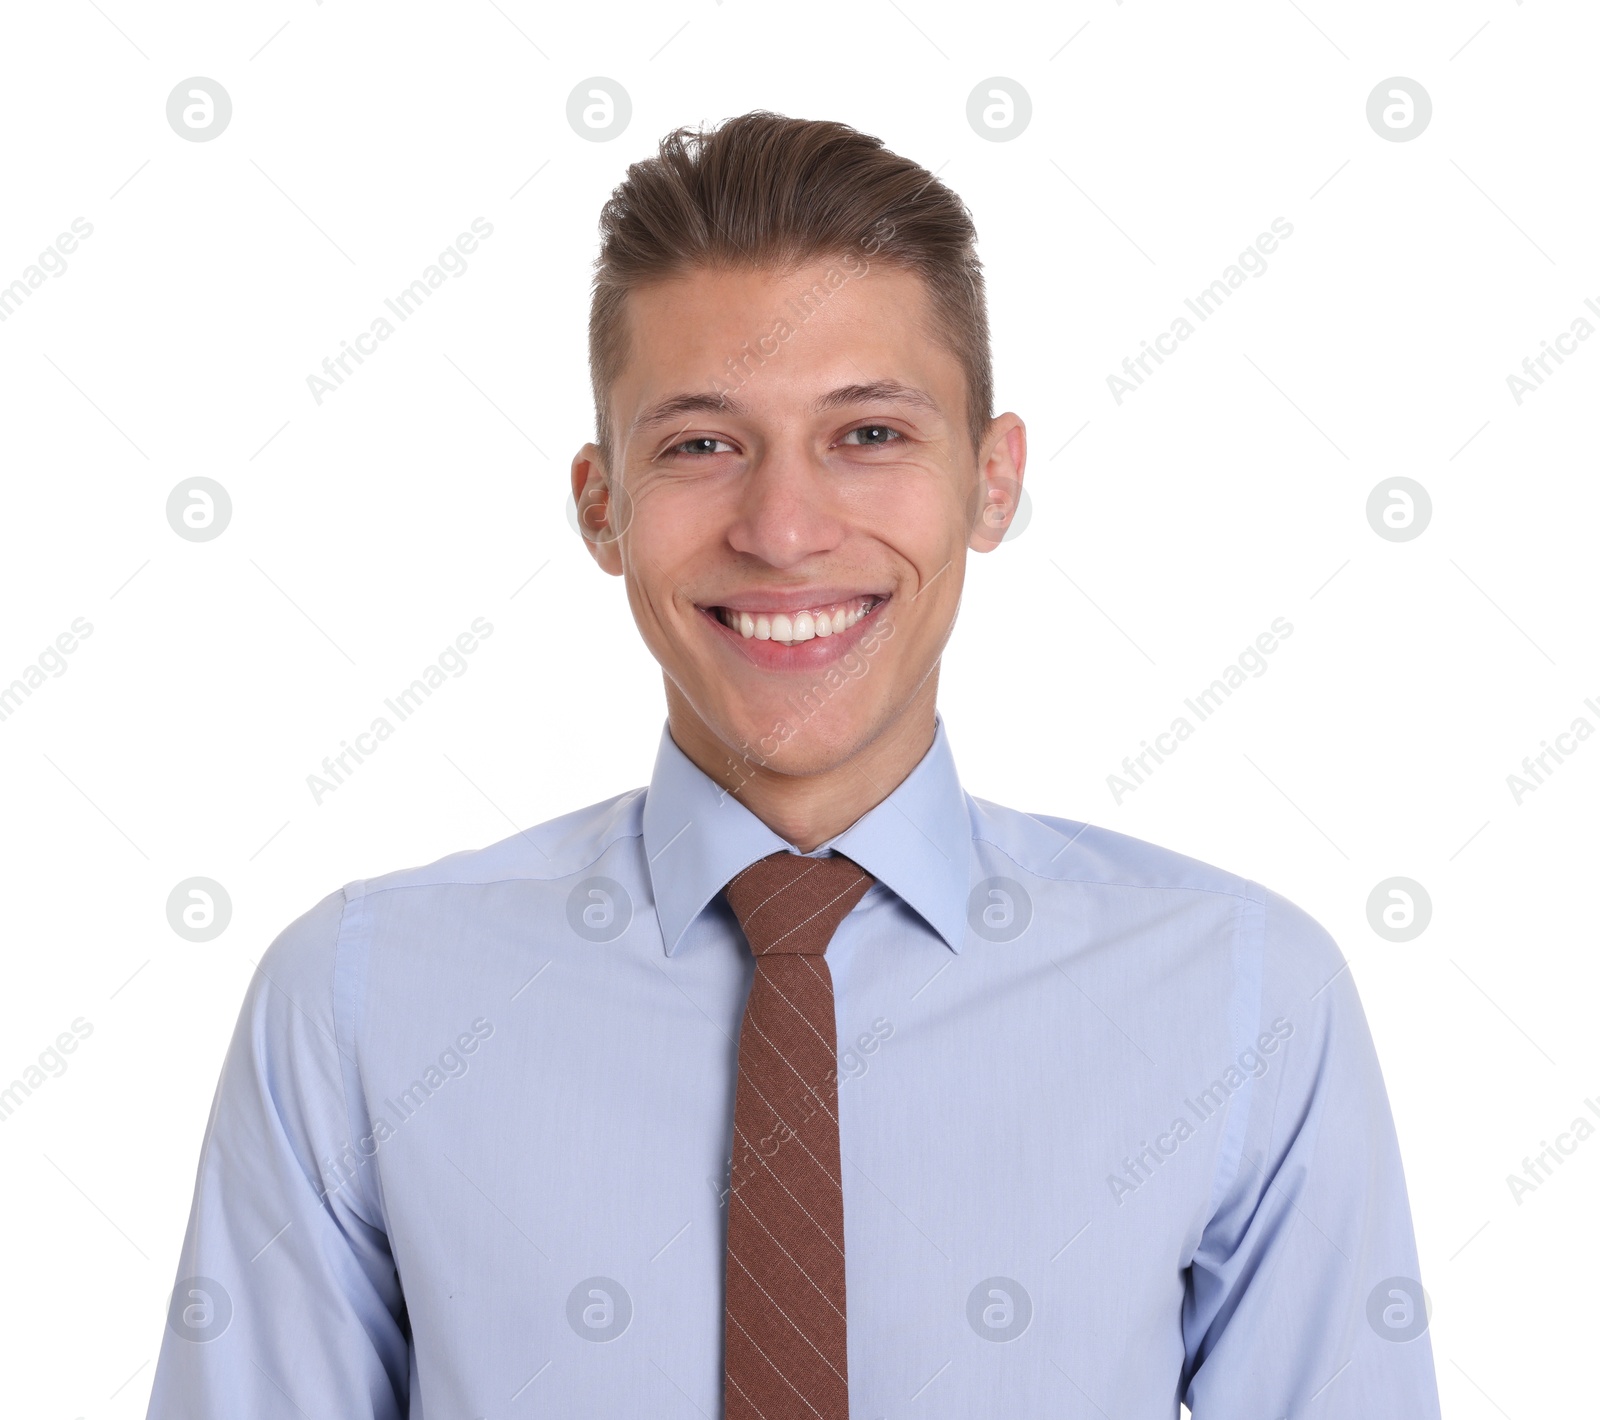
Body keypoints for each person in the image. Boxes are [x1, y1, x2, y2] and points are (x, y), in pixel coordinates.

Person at [145, 110, 1441, 1418]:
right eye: (702, 445)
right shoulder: (360, 1007)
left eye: (869, 434)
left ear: (993, 482)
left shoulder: (1243, 999)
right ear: (603, 507)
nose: (781, 528)